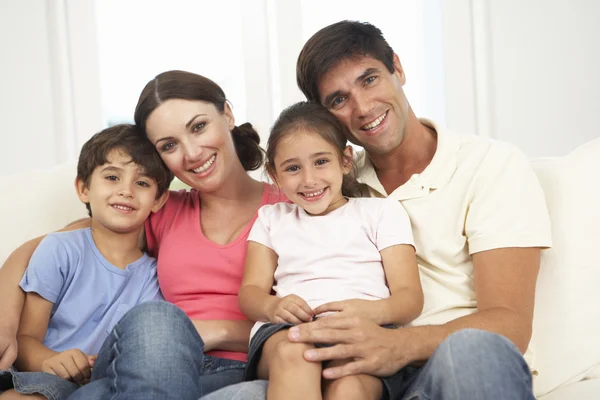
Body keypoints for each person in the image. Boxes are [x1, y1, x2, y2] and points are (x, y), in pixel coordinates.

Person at [203, 20, 552, 400]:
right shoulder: (330, 181)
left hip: (439, 368)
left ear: (397, 69)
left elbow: (510, 323)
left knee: (472, 352)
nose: (363, 107)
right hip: (329, 361)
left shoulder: (489, 165)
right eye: (338, 99)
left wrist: (396, 347)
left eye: (369, 79)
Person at [0, 71, 287, 400]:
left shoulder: (293, 208)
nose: (192, 153)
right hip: (147, 359)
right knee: (157, 318)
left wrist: (214, 330)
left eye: (198, 127)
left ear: (227, 114)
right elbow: (48, 246)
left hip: (237, 370)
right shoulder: (159, 210)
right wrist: (5, 319)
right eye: (169, 145)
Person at [238, 102, 423, 400]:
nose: (309, 180)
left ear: (345, 159)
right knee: (295, 354)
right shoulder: (272, 219)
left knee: (349, 383)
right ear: (274, 173)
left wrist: (371, 311)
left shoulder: (381, 213)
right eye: (293, 168)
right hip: (286, 331)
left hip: (364, 327)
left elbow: (410, 297)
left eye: (321, 162)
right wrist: (272, 307)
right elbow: (250, 292)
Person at [0, 124, 171, 400]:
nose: (126, 191)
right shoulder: (60, 249)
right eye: (112, 177)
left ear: (159, 199)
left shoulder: (154, 275)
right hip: (40, 375)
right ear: (83, 188)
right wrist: (49, 361)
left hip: (105, 382)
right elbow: (26, 338)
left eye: (142, 183)